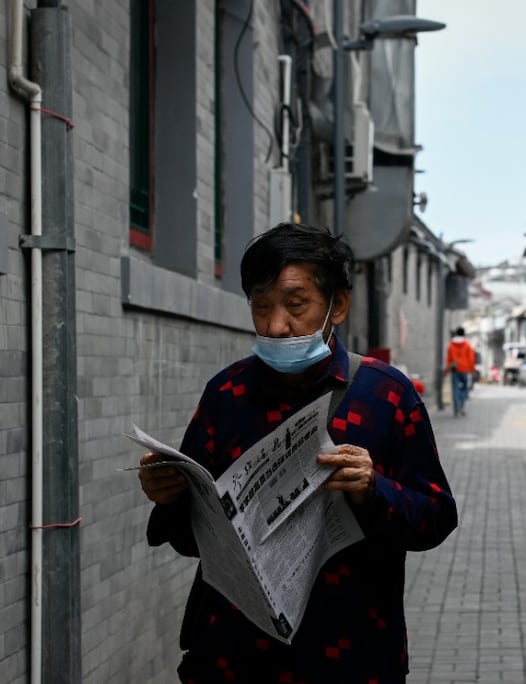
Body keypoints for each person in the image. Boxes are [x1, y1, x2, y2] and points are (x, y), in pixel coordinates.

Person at [137, 222, 458, 683]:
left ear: (338, 305)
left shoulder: (385, 395)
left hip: (349, 658)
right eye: (261, 306)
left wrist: (374, 490)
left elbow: (437, 517)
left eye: (295, 304)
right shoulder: (227, 393)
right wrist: (170, 497)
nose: (275, 325)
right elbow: (193, 542)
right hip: (232, 657)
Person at [443, 327, 475, 417]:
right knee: (464, 388)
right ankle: (462, 406)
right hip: (465, 370)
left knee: (455, 389)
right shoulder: (467, 344)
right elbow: (471, 358)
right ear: (464, 334)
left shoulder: (451, 345)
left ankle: (456, 408)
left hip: (455, 370)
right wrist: (472, 369)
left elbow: (448, 359)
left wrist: (446, 370)